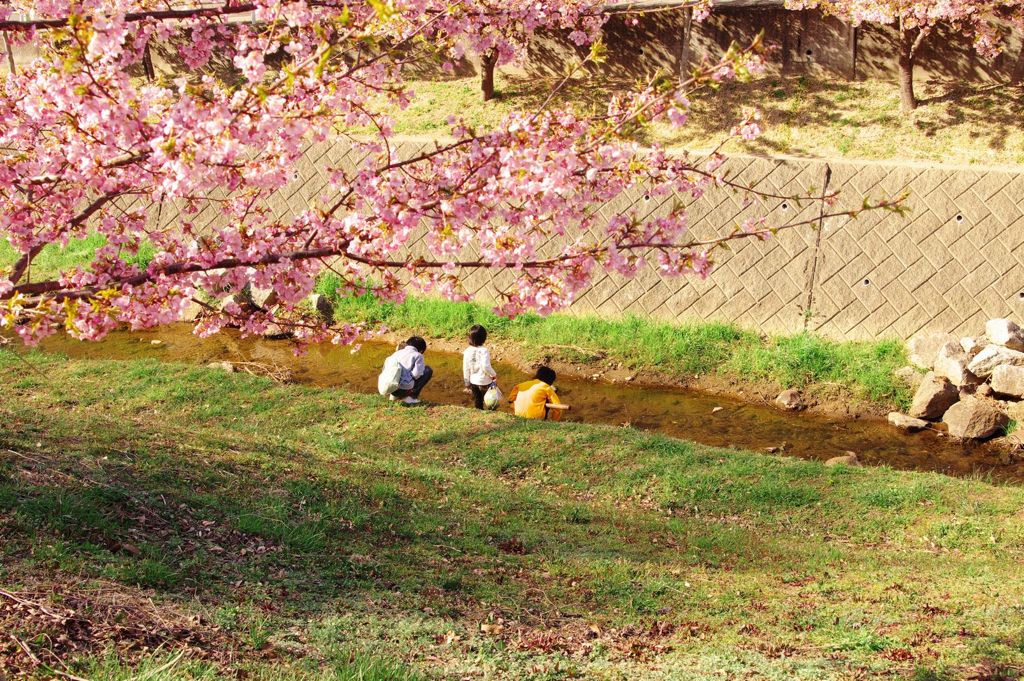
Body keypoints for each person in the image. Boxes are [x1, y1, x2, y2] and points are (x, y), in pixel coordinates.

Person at [387, 336, 433, 405]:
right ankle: (410, 397)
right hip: (402, 390)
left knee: (399, 373)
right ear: (420, 351)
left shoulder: (397, 353)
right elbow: (416, 374)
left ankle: (393, 396)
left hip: (389, 387)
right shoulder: (418, 355)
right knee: (427, 370)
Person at [463, 324, 498, 410]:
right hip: (485, 380)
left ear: (470, 338)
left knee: (478, 400)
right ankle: (491, 410)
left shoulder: (467, 351)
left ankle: (479, 411)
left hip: (473, 381)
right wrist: (494, 374)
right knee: (491, 398)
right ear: (484, 338)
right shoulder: (484, 350)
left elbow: (465, 368)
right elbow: (486, 366)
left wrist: (466, 382)